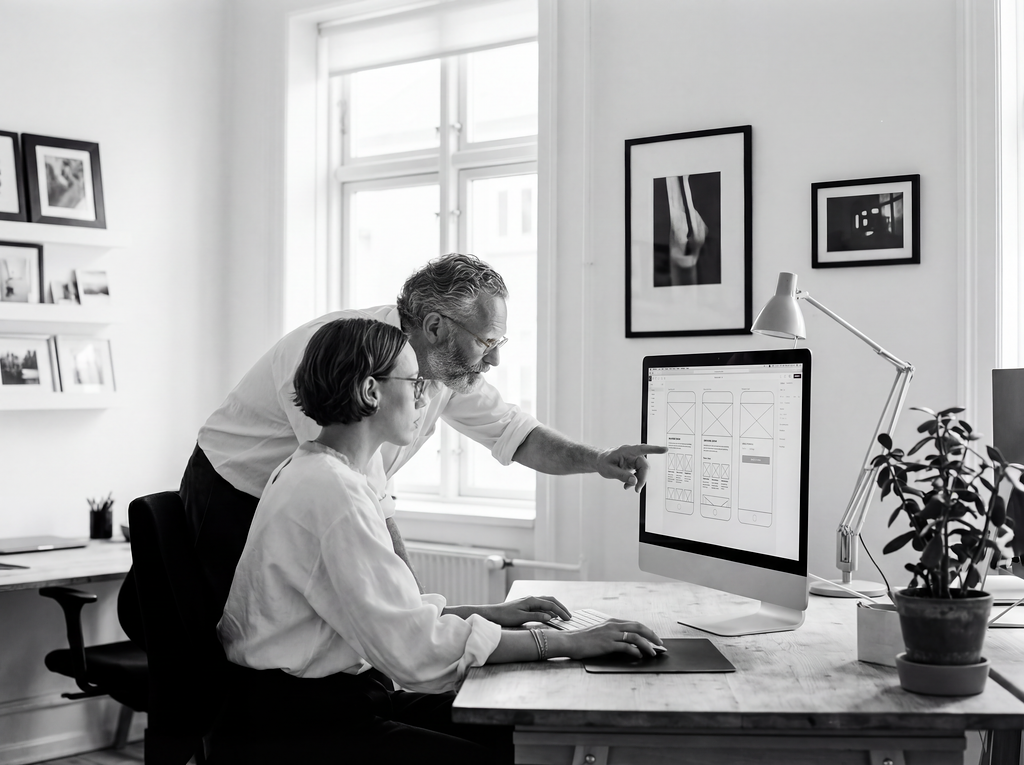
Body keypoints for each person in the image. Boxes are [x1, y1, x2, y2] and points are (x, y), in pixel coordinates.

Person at [119, 253, 666, 642]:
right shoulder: (339, 355)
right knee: (218, 657)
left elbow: (514, 432)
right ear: (435, 326)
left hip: (311, 494)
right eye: (487, 342)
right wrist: (433, 621)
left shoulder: (442, 367)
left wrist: (598, 461)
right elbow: (356, 493)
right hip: (235, 491)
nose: (495, 359)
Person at [211, 317, 663, 763]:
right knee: (502, 755)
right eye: (415, 383)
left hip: (331, 699)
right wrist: (567, 643)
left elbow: (389, 611)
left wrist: (488, 613)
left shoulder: (320, 469)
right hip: (297, 723)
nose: (424, 398)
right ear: (370, 392)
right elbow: (415, 648)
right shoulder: (333, 492)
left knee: (513, 734)